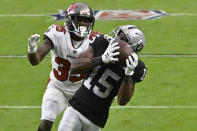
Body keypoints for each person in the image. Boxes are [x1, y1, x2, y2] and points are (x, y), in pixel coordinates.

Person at [57, 25, 148, 131]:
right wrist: (102, 59)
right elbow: (74, 68)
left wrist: (128, 74)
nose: (116, 38)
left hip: (96, 120)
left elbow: (122, 101)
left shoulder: (136, 66)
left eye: (122, 38)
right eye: (119, 35)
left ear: (132, 47)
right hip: (75, 109)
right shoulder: (103, 43)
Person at [27, 2, 96, 131]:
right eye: (79, 20)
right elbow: (35, 60)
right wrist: (31, 49)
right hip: (58, 87)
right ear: (69, 20)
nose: (83, 24)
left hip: (82, 92)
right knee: (46, 122)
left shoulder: (95, 40)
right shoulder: (57, 34)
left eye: (86, 21)